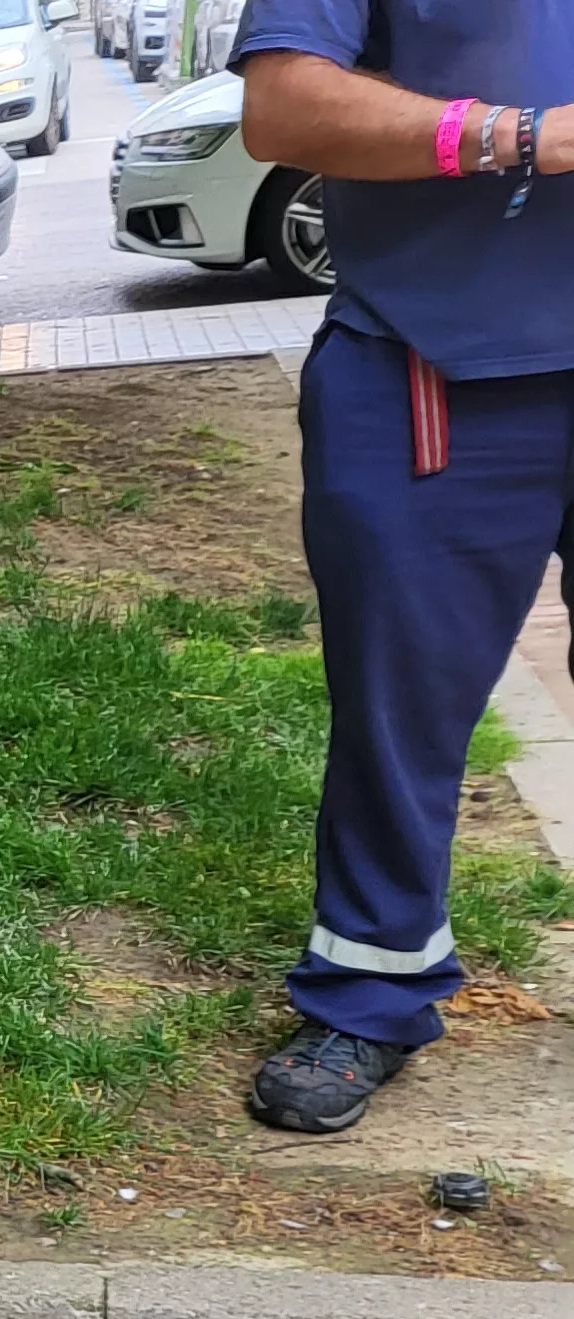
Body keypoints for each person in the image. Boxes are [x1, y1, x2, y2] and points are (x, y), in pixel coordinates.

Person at [227, 4, 574, 1132]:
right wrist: (527, 135)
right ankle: (370, 990)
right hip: (433, 368)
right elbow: (281, 108)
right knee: (397, 705)